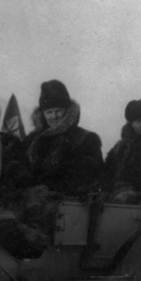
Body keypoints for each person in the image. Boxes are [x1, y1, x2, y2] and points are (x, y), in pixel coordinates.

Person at [13, 80, 103, 251]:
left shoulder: (85, 139)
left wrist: (46, 186)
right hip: (28, 195)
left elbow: (85, 174)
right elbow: (20, 164)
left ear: (68, 111)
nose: (53, 117)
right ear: (42, 114)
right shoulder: (32, 140)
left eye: (58, 111)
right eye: (49, 112)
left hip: (65, 201)